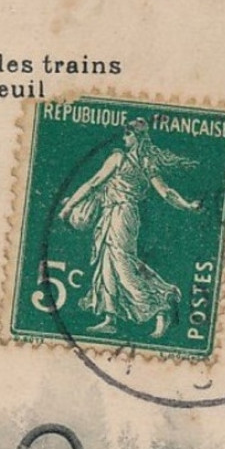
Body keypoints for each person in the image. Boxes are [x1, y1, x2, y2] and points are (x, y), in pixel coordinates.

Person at [58, 118, 201, 339]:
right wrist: (188, 205)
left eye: (127, 133)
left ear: (137, 137)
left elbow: (93, 182)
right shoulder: (146, 164)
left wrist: (68, 207)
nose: (124, 137)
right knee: (109, 263)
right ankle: (110, 318)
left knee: (122, 264)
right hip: (119, 215)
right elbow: (167, 193)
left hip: (120, 215)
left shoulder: (118, 158)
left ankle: (162, 303)